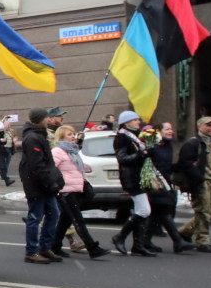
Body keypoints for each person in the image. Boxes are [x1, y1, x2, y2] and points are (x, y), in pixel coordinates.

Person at [49, 125, 110, 259]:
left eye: (73, 134)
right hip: (66, 191)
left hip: (75, 188)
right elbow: (51, 169)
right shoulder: (58, 151)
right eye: (70, 134)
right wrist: (60, 182)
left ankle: (55, 246)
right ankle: (92, 248)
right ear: (62, 137)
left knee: (65, 220)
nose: (73, 136)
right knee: (78, 220)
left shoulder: (72, 151)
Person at [18, 107, 66, 263]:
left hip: (44, 184)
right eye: (46, 117)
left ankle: (45, 247)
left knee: (53, 214)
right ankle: (31, 252)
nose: (48, 120)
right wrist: (50, 182)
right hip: (36, 184)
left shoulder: (40, 135)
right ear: (39, 119)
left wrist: (53, 181)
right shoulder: (32, 138)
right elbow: (37, 165)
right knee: (35, 217)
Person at [140, 122, 191, 254]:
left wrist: (181, 166)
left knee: (157, 213)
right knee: (163, 210)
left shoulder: (168, 145)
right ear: (159, 131)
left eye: (171, 129)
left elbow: (166, 166)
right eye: (167, 129)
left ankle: (144, 241)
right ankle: (178, 241)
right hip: (155, 183)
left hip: (165, 182)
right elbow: (147, 163)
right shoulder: (152, 145)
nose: (170, 131)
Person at [109, 111, 156, 256]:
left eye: (138, 119)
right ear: (126, 122)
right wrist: (140, 155)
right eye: (135, 120)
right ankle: (120, 236)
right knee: (144, 211)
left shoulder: (136, 136)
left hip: (139, 177)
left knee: (140, 211)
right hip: (132, 178)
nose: (138, 122)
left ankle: (138, 245)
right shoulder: (122, 137)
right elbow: (122, 158)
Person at [178, 116, 211, 253]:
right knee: (203, 211)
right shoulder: (193, 143)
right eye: (208, 125)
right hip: (202, 182)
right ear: (200, 126)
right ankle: (202, 242)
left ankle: (184, 232)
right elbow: (185, 163)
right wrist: (199, 180)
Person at [0, 119, 15, 185]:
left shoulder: (1, 132)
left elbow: (3, 142)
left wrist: (4, 141)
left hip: (1, 151)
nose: (2, 130)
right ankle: (6, 180)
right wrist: (0, 140)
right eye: (0, 129)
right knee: (1, 166)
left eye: (2, 129)